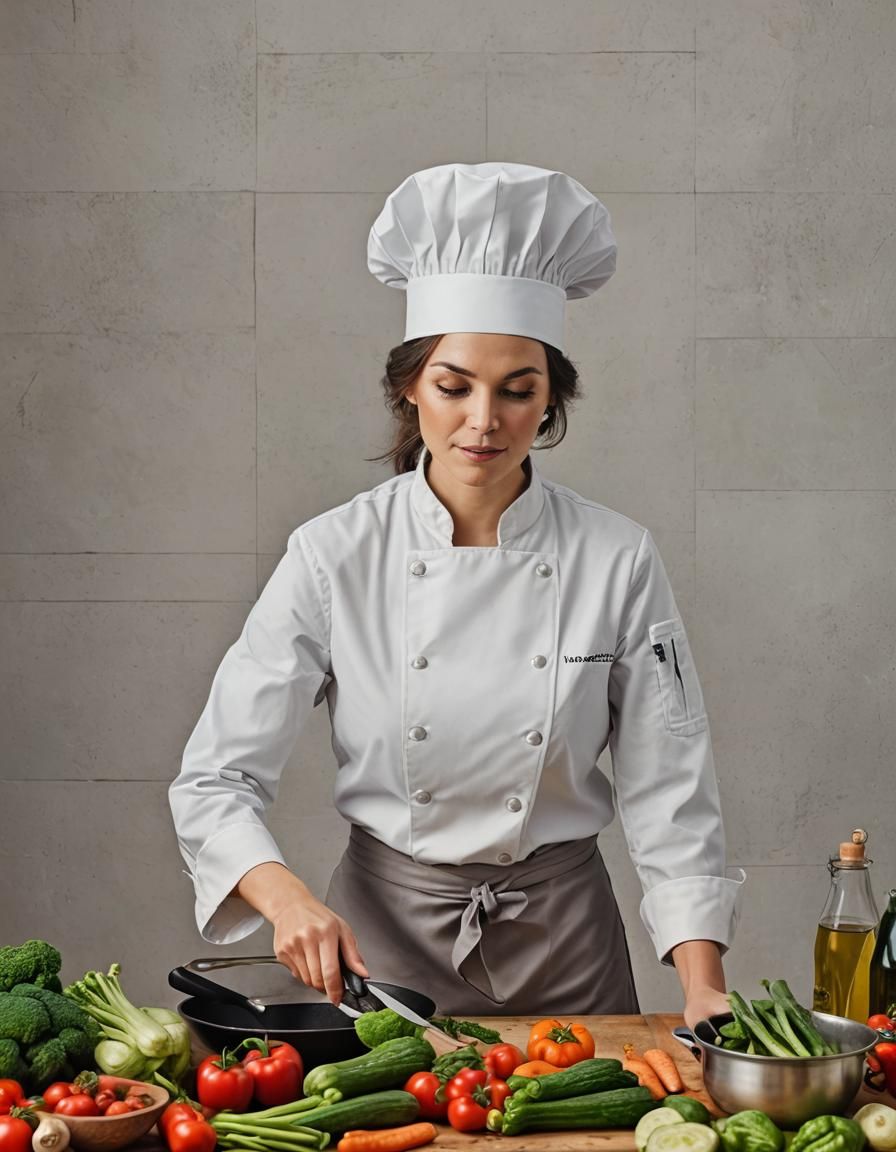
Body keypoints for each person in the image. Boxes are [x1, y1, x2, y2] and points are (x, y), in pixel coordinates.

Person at [169, 161, 745, 1029]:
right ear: (410, 384)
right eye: (454, 386)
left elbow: (671, 786)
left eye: (520, 391)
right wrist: (285, 901)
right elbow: (215, 776)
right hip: (377, 956)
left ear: (551, 399)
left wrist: (703, 985)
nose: (485, 421)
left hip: (567, 947)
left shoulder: (616, 556)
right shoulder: (336, 553)